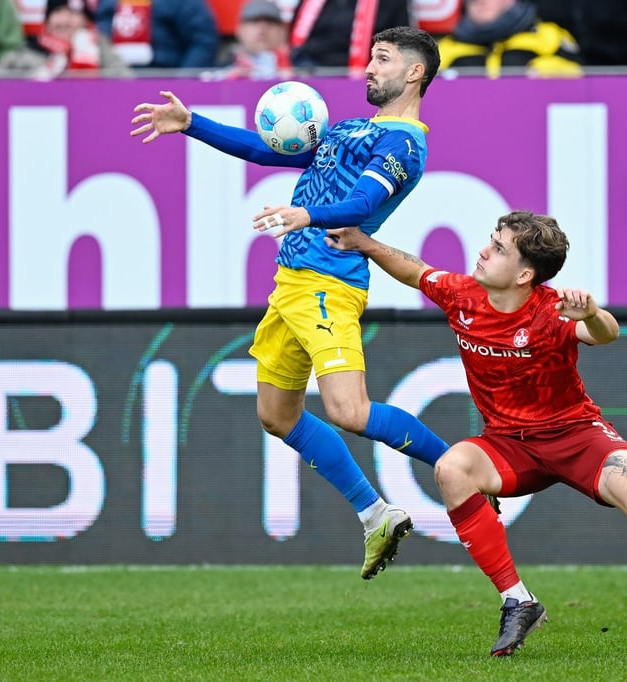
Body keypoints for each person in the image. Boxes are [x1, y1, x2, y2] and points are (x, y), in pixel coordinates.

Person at [324, 211, 627, 659]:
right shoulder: (462, 295)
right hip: (509, 444)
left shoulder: (552, 310)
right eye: (491, 240)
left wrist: (591, 312)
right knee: (452, 468)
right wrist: (363, 242)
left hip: (575, 435)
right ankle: (518, 600)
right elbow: (415, 271)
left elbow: (607, 334)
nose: (483, 250)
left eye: (498, 248)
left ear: (525, 273)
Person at [130, 27, 446, 580]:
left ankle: (456, 464)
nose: (370, 68)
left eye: (383, 59)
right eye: (372, 57)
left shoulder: (404, 143)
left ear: (415, 73)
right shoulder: (351, 128)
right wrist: (191, 124)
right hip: (291, 284)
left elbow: (364, 200)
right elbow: (265, 148)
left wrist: (308, 215)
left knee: (350, 411)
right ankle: (376, 513)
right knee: (276, 415)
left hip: (327, 284)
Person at [0, 0, 133, 79]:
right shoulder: (27, 51)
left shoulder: (99, 47)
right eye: (58, 12)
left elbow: (125, 82)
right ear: (47, 20)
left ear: (85, 20)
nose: (64, 21)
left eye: (72, 13)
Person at [437, 0, 581, 77]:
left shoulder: (547, 34)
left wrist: (543, 71)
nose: (480, 1)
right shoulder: (445, 48)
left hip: (534, 123)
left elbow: (585, 74)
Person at [288, 0, 412, 72]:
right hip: (310, 68)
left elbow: (401, 44)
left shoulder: (392, 3)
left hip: (369, 73)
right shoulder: (310, 3)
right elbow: (294, 38)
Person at [95, 0, 219, 69]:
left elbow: (203, 42)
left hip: (165, 82)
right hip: (113, 82)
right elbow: (99, 33)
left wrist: (181, 84)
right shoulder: (108, 3)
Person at [224, 0, 292, 79]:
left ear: (283, 31)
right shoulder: (217, 73)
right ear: (239, 29)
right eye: (254, 21)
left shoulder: (304, 71)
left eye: (270, 22)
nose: (262, 28)